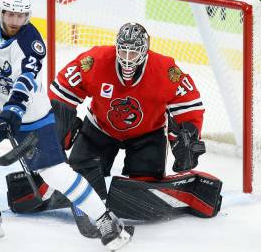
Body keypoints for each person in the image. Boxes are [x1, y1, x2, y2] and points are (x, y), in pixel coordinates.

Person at [0, 0, 133, 251]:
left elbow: (25, 82)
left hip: (30, 115)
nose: (14, 22)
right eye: (10, 14)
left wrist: (13, 111)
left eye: (21, 16)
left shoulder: (31, 43)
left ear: (28, 16)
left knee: (54, 174)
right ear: (2, 10)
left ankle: (105, 220)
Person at [47, 22, 220, 220]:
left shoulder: (165, 70)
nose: (127, 59)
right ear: (116, 47)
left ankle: (181, 191)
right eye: (123, 51)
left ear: (145, 51)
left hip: (147, 135)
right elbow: (61, 91)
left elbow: (190, 105)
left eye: (134, 53)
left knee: (143, 194)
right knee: (80, 178)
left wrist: (188, 133)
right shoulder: (95, 60)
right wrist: (60, 126)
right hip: (99, 129)